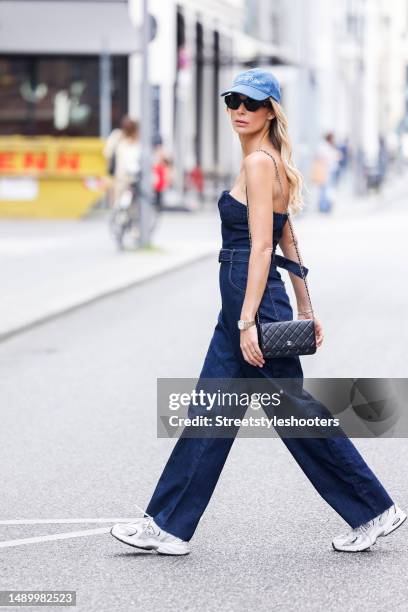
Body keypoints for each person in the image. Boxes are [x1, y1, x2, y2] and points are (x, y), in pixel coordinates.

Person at [110, 68, 406, 555]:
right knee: (211, 412)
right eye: (232, 101)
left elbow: (265, 245)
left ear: (271, 110)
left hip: (252, 301)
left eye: (250, 102)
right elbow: (289, 236)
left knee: (295, 414)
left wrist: (248, 320)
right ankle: (168, 526)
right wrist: (305, 306)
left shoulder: (259, 164)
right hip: (245, 300)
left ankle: (375, 508)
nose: (239, 111)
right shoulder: (267, 160)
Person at [103, 116, 141, 207]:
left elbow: (107, 153)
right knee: (129, 199)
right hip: (134, 175)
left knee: (118, 199)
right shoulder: (136, 140)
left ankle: (118, 215)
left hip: (120, 175)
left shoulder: (117, 136)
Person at [312, 132, 341, 213]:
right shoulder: (322, 146)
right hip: (325, 170)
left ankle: (326, 206)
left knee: (327, 189)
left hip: (330, 170)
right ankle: (323, 207)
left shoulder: (328, 146)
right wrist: (333, 157)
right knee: (324, 189)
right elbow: (322, 157)